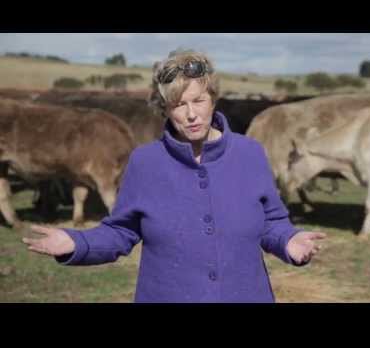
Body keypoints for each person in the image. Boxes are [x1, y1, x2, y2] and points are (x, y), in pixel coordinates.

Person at [22, 49, 326, 303]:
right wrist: (77, 243)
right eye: (179, 105)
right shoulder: (145, 162)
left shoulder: (250, 154)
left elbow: (271, 222)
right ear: (166, 109)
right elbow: (121, 231)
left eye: (198, 101)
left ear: (214, 99)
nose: (191, 114)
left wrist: (288, 241)